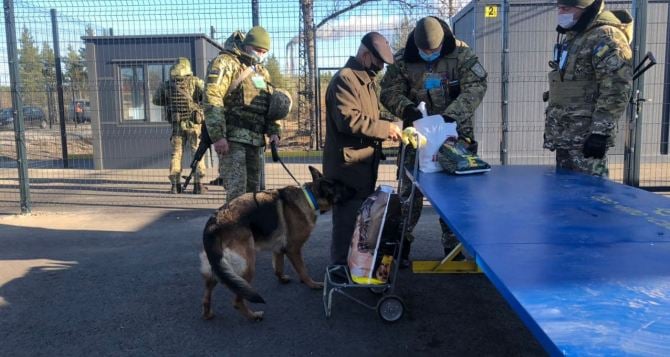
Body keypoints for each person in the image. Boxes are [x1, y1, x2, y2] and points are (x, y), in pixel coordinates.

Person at [379, 16, 488, 265]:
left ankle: (453, 250)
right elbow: (388, 91)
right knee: (409, 194)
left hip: (454, 136)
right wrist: (407, 109)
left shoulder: (461, 54)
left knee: (454, 194)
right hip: (417, 137)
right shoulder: (402, 59)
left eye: (434, 51)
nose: (429, 54)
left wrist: (452, 115)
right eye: (424, 51)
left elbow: (477, 86)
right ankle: (401, 246)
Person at [323, 32, 402, 266]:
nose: (381, 67)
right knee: (346, 224)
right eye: (378, 62)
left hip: (362, 165)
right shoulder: (345, 80)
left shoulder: (365, 81)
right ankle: (338, 273)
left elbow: (371, 117)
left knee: (359, 222)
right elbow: (349, 120)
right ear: (365, 55)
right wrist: (386, 128)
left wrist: (396, 124)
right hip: (347, 168)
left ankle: (353, 269)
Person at [543, 0, 633, 177]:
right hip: (566, 132)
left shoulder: (606, 36)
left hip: (586, 135)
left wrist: (600, 133)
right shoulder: (575, 34)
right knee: (565, 190)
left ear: (586, 9)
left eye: (566, 8)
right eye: (559, 8)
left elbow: (616, 87)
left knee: (591, 192)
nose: (561, 12)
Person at [204, 26, 286, 203]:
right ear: (247, 45)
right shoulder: (226, 62)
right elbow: (212, 97)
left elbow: (269, 105)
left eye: (265, 52)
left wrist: (274, 131)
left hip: (255, 141)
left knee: (253, 196)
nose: (261, 54)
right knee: (237, 196)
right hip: (233, 141)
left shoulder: (261, 71)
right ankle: (232, 230)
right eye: (258, 50)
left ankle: (248, 231)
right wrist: (218, 136)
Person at [152, 57, 207, 194]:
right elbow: (208, 94)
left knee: (176, 153)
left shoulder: (167, 84)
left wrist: (170, 101)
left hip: (177, 125)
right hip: (194, 125)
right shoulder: (195, 81)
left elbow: (156, 100)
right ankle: (198, 185)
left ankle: (175, 185)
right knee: (197, 152)